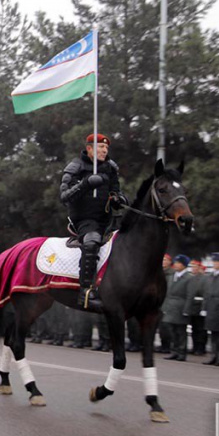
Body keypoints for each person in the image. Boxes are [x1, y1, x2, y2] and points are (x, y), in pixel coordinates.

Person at [59, 133, 128, 312]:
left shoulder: (111, 167)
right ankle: (86, 292)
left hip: (107, 219)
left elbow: (116, 190)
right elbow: (65, 197)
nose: (105, 150)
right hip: (84, 220)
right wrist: (86, 184)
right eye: (101, 147)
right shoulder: (75, 167)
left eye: (106, 148)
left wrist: (118, 199)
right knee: (91, 242)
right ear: (89, 148)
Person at [162, 255, 193, 361]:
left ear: (184, 265)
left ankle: (182, 352)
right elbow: (167, 293)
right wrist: (165, 306)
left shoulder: (189, 278)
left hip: (181, 307)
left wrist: (186, 310)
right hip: (171, 306)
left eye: (178, 263)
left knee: (181, 331)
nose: (176, 264)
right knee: (172, 331)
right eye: (175, 262)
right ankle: (174, 351)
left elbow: (190, 295)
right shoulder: (172, 276)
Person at [188, 259, 208, 355]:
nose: (193, 268)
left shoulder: (204, 279)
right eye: (192, 267)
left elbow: (204, 293)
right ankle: (195, 346)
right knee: (194, 329)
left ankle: (201, 347)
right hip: (193, 307)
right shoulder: (192, 278)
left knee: (201, 329)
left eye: (195, 267)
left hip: (200, 307)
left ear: (200, 268)